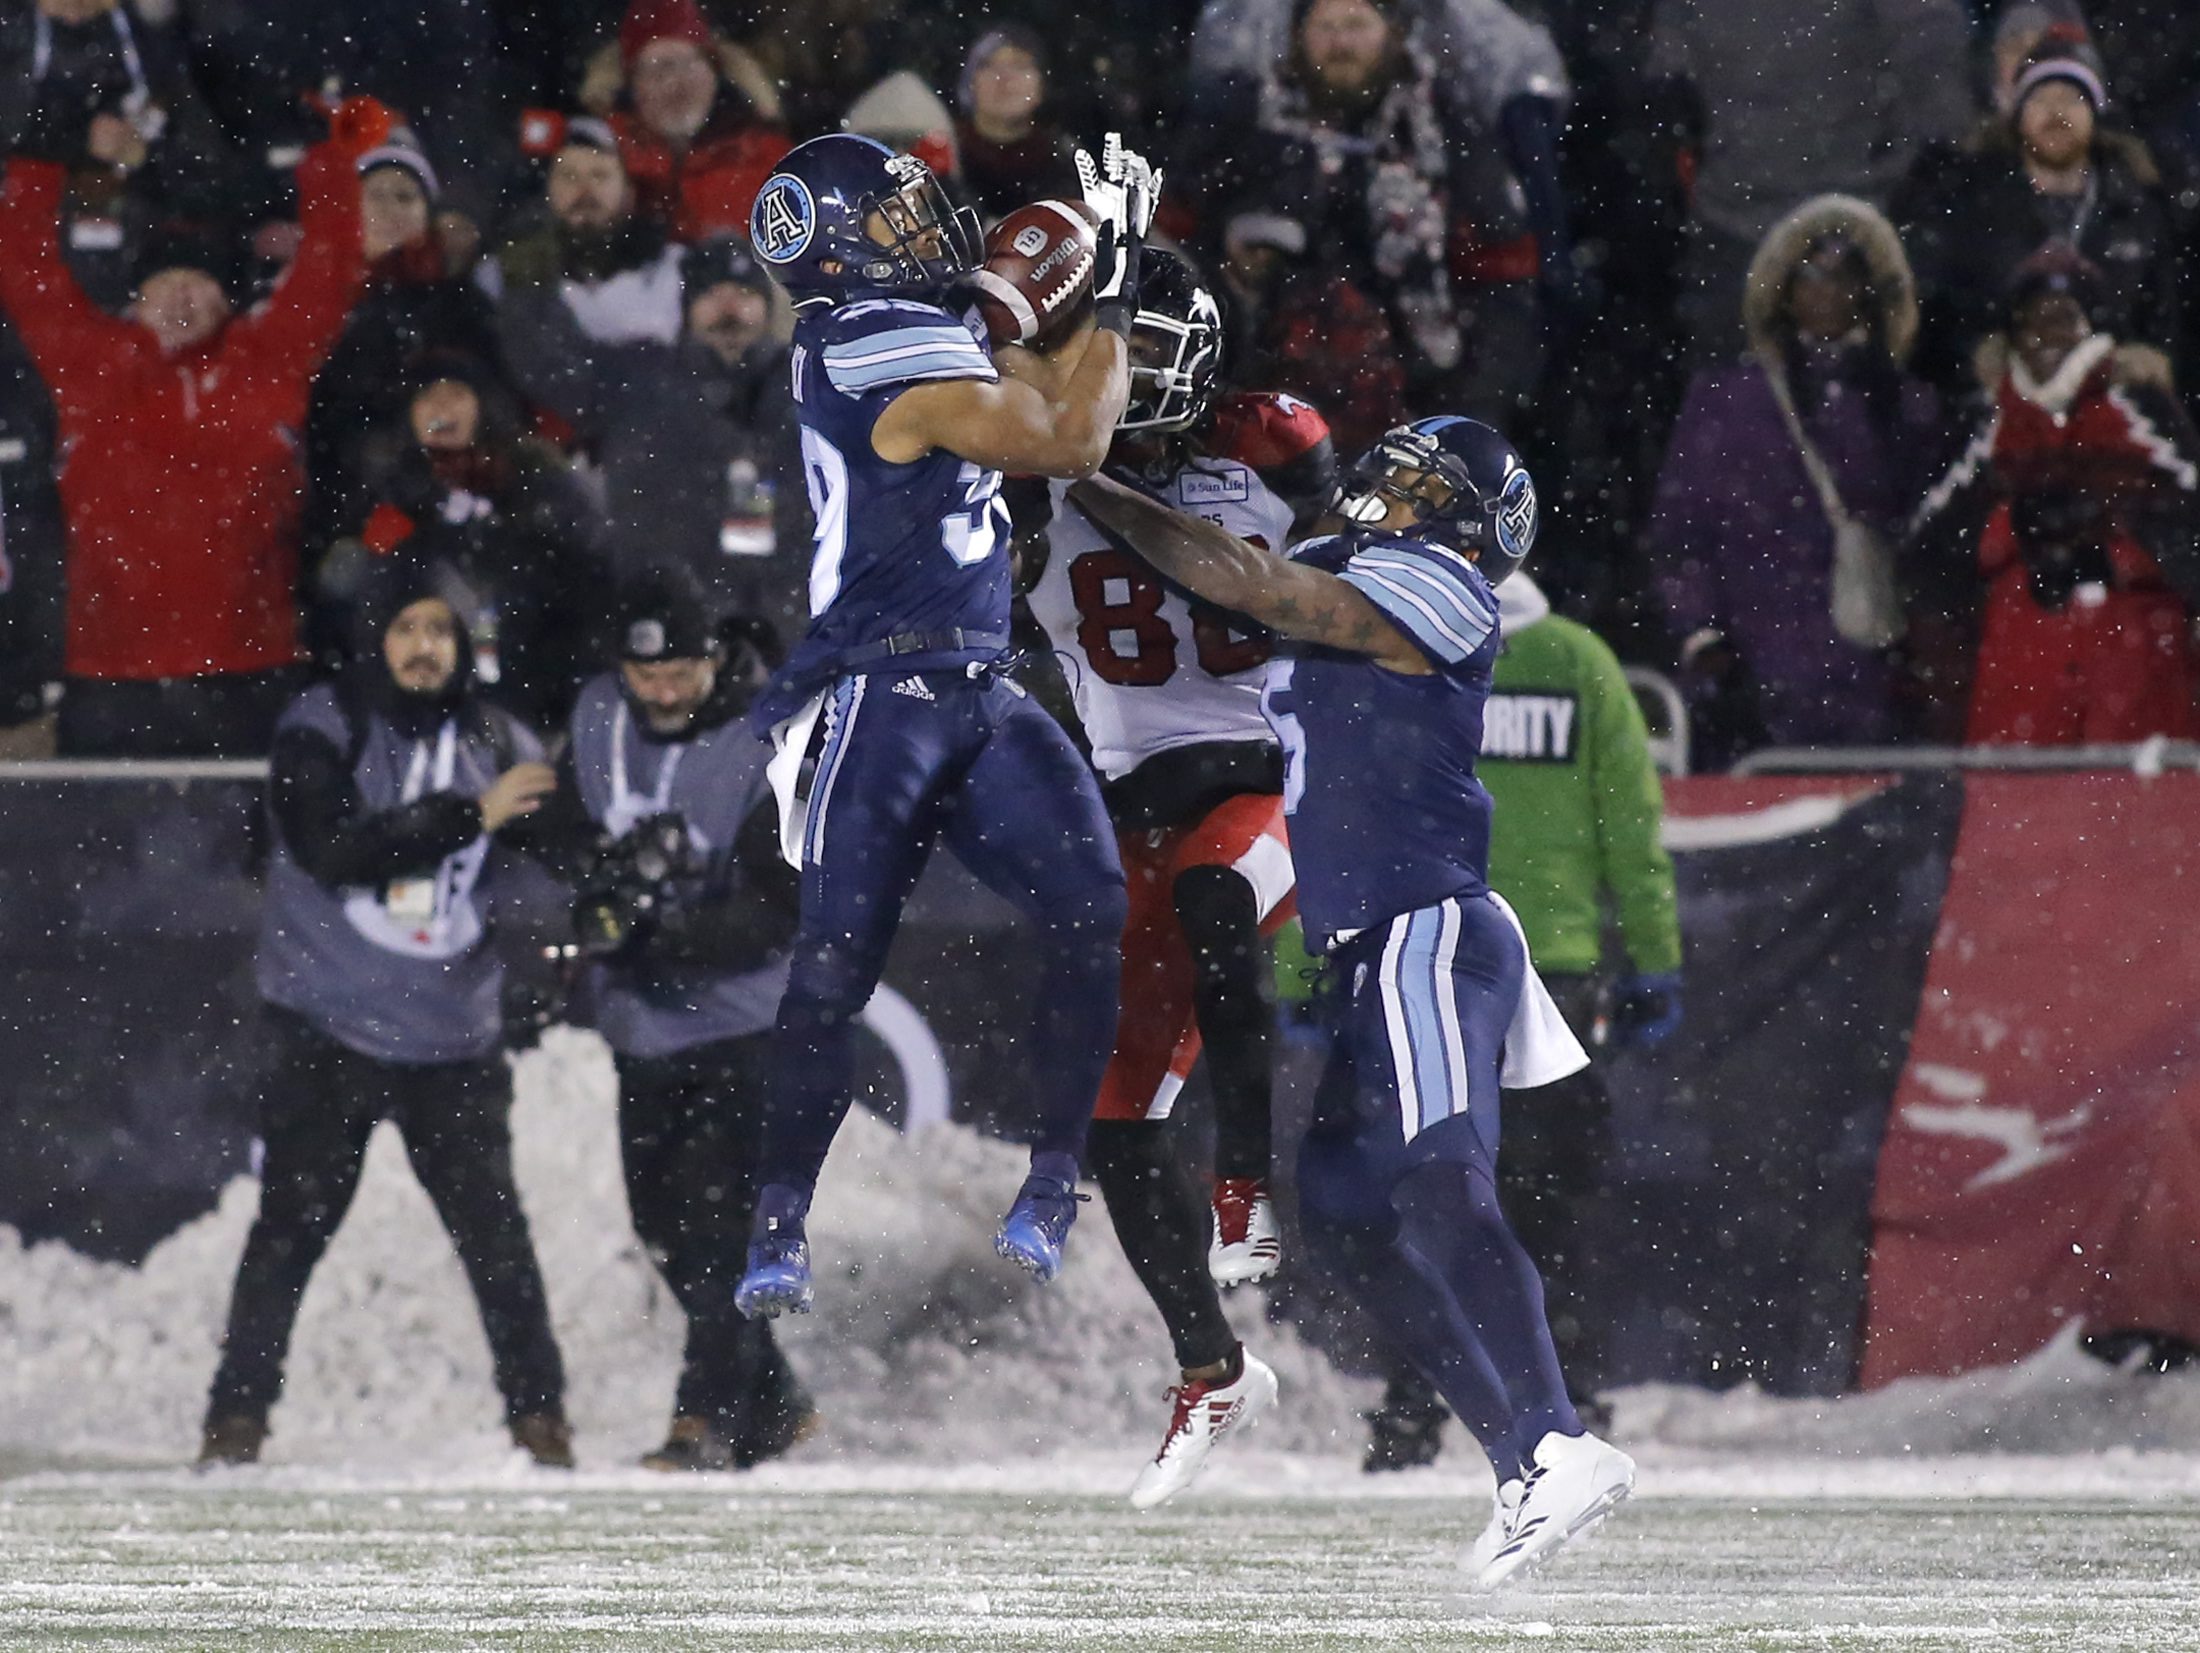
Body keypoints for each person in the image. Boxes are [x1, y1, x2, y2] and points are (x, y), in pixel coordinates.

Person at [1068, 417, 1633, 1589]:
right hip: (1365, 952)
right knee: (1342, 1211)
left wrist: (1082, 472)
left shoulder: (1443, 584)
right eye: (1388, 470)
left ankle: (1558, 1438)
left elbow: (1253, 582)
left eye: (1419, 486)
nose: (1386, 492)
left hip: (1430, 929)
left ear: (1473, 526)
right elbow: (1229, 589)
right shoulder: (1344, 566)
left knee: (1439, 1177)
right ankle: (1521, 1464)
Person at [728, 132, 1156, 1319]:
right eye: (895, 219)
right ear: (835, 248)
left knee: (1091, 905)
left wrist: (1019, 312)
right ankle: (777, 1220)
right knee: (833, 968)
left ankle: (1055, 1180)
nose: (927, 229)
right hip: (878, 688)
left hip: (976, 676)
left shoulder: (897, 329)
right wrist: (1104, 279)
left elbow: (1023, 388)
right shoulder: (867, 339)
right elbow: (1071, 439)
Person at [1021, 249, 1337, 1504]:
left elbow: (1292, 596)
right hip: (1129, 800)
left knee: (1221, 908)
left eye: (1150, 351)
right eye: (1111, 349)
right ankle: (1212, 1368)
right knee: (1109, 1122)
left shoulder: (1275, 450)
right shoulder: (1023, 471)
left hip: (1268, 772)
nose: (1128, 374)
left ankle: (1244, 1186)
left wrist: (1086, 479)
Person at [200, 556, 571, 1469]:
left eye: (440, 631)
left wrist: (549, 952)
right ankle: (234, 1424)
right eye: (406, 629)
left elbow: (554, 863)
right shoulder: (321, 725)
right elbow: (334, 851)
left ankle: (543, 1425)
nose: (422, 648)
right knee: (288, 1234)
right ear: (375, 638)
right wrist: (472, 814)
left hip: (454, 1038)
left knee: (498, 1244)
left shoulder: (499, 734)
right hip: (329, 1027)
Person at [1365, 566, 1682, 1471]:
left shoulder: (1400, 651)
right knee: (1554, 1201)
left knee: (1425, 1187)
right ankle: (1566, 1396)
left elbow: (1346, 812)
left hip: (1424, 959)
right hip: (1554, 974)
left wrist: (1307, 962)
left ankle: (1412, 1408)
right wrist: (1655, 959)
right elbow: (1631, 821)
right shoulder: (1577, 662)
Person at [0, 95, 385, 757]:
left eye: (200, 282)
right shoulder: (89, 359)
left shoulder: (269, 358)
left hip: (252, 673)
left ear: (230, 296)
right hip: (111, 679)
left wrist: (329, 157)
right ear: (134, 294)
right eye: (163, 282)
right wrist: (41, 157)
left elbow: (331, 265)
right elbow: (24, 268)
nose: (180, 296)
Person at [533, 573, 815, 1471]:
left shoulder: (769, 735)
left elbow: (782, 905)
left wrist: (663, 928)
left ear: (713, 659)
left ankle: (704, 1420)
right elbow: (561, 824)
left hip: (745, 1021)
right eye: (642, 675)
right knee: (662, 1224)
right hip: (641, 1028)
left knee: (717, 1221)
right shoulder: (596, 715)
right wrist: (599, 872)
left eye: (679, 673)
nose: (659, 692)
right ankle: (777, 1401)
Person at [1646, 195, 1945, 763]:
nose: (1825, 292)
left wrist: (1919, 654)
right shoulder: (1726, 399)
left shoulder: (1907, 406)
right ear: (1782, 292)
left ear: (1869, 292)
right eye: (1808, 276)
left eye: (1843, 277)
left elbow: (1929, 542)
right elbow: (1679, 533)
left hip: (1870, 679)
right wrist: (1702, 638)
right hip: (1752, 677)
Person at [1907, 244, 2200, 744]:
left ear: (2093, 328)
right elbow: (1930, 549)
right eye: (2030, 322)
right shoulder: (1987, 423)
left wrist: (2117, 549)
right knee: (2020, 812)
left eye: (2064, 318)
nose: (2047, 335)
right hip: (2023, 661)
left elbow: (2188, 513)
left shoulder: (2139, 406)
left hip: (2137, 659)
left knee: (2137, 811)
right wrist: (2016, 528)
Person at [495, 228, 812, 645]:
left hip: (789, 627)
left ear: (768, 308)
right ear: (686, 308)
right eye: (713, 294)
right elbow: (553, 368)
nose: (729, 308)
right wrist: (529, 291)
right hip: (661, 628)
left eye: (744, 294)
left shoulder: (810, 386)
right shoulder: (641, 379)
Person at [1895, 27, 2181, 400]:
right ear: (2017, 113)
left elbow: (2167, 322)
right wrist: (1977, 360)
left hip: (2115, 412)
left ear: (2095, 113)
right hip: (1998, 412)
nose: (2056, 113)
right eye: (2041, 99)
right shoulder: (1966, 207)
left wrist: (2145, 364)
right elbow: (1934, 323)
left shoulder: (2138, 210)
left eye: (2071, 99)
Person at [481, 116, 686, 347]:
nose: (585, 190)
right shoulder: (500, 274)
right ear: (548, 192)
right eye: (569, 176)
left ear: (628, 193)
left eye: (600, 176)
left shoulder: (675, 269)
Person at [606, 0, 788, 242]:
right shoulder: (604, 152)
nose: (674, 83)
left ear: (714, 71)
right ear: (631, 86)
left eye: (687, 64)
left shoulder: (770, 158)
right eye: (656, 69)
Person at [954, 26, 1078, 221]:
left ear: (1041, 86)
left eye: (1020, 66)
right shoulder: (943, 158)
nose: (1004, 78)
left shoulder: (1066, 161)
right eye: (988, 65)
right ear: (970, 83)